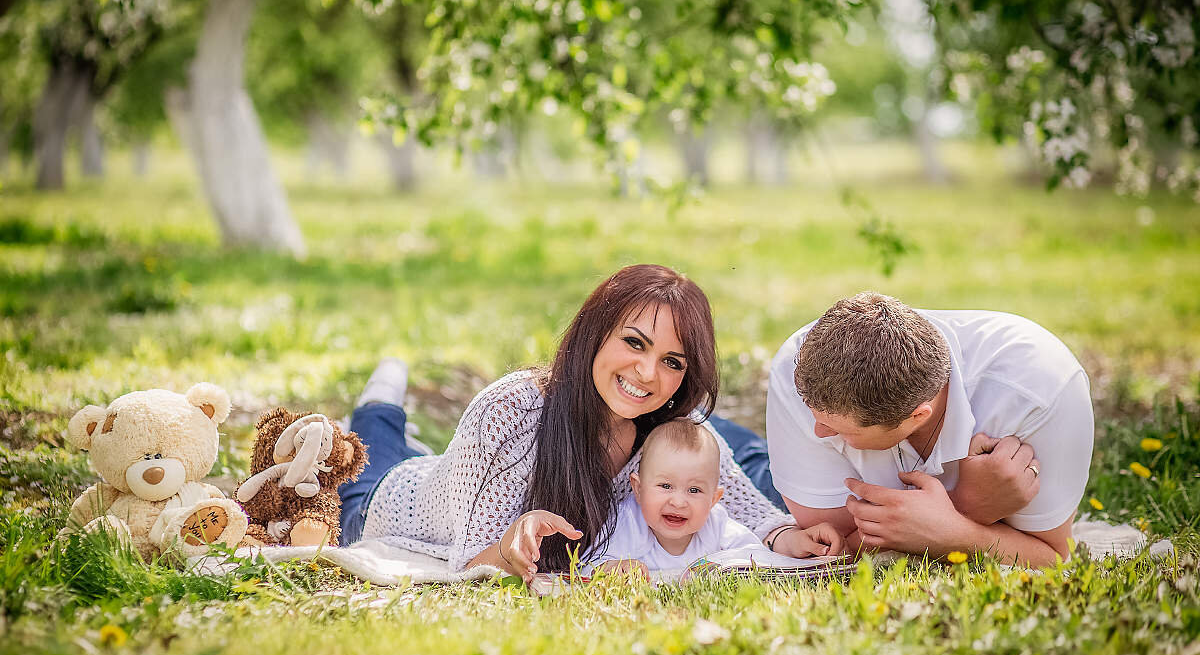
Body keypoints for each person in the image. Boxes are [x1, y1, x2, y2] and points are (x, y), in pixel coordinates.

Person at [338, 264, 801, 580]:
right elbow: (468, 567)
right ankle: (382, 395)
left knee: (409, 450)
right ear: (595, 331)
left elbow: (743, 502)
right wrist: (509, 548)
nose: (648, 374)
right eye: (635, 343)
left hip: (457, 477)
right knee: (369, 446)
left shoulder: (666, 421)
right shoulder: (513, 411)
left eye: (673, 362)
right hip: (391, 505)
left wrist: (784, 534)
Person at [751, 292, 1094, 567]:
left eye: (839, 429)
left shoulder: (1039, 392)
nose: (819, 433)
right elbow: (835, 549)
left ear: (917, 416)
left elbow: (1051, 557)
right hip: (776, 482)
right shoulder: (800, 368)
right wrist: (967, 510)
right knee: (737, 465)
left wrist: (946, 527)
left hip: (826, 485)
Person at [585, 420, 842, 575]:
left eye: (694, 490)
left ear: (714, 499)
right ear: (638, 489)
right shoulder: (627, 522)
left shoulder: (717, 524)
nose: (678, 501)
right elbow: (587, 564)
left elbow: (756, 557)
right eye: (665, 486)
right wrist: (610, 570)